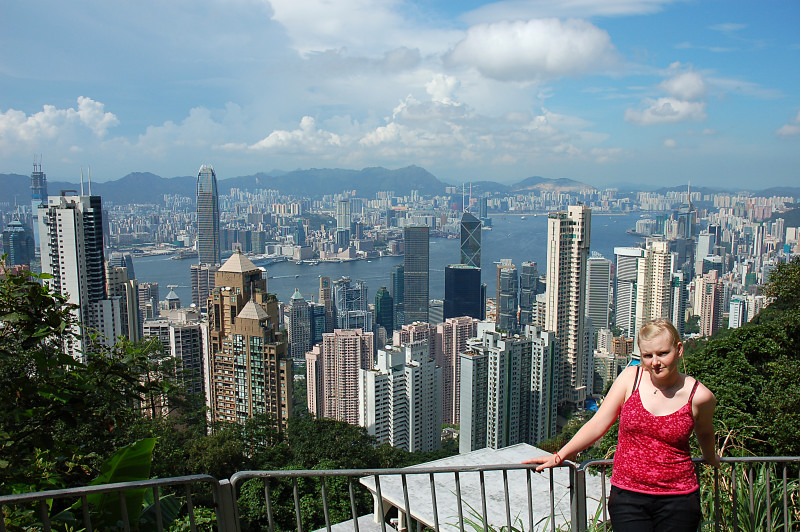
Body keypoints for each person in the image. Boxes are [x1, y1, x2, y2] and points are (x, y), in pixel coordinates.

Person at [524, 318, 721, 532]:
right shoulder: (631, 378)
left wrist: (710, 458)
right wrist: (560, 455)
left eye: (663, 353)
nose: (655, 362)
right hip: (628, 495)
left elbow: (705, 433)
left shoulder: (699, 396)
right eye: (648, 355)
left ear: (679, 350)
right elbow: (599, 423)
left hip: (678, 497)